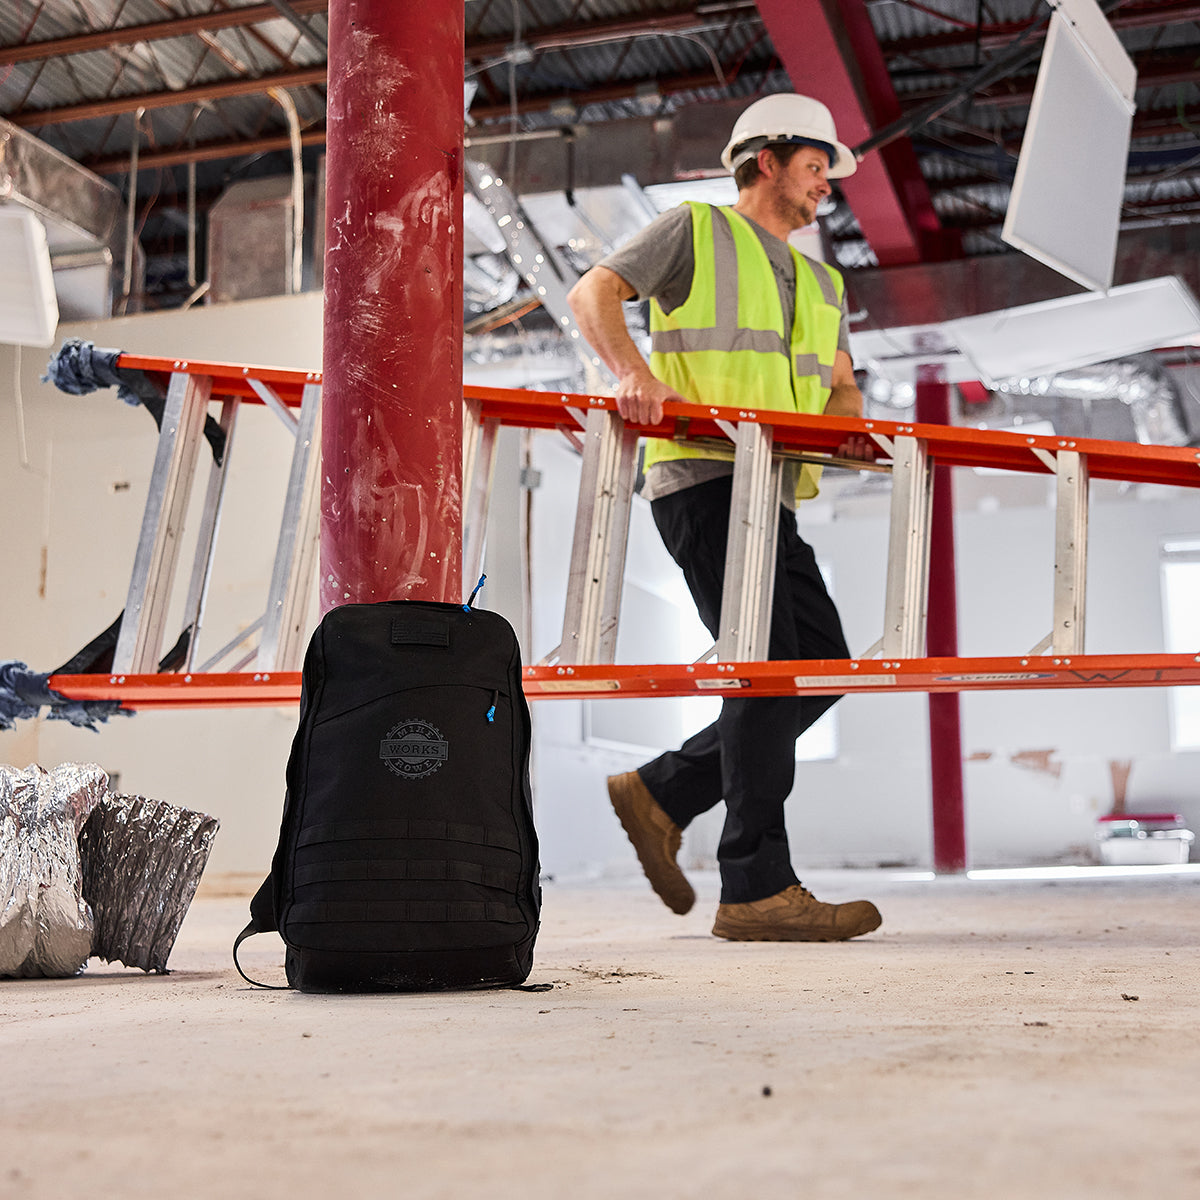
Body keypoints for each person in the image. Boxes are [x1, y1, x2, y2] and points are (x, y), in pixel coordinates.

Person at [566, 93, 882, 942]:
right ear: (768, 158)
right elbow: (594, 293)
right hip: (703, 481)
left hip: (772, 492)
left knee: (820, 664)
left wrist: (849, 417)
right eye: (817, 166)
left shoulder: (822, 280)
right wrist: (632, 374)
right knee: (770, 667)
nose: (826, 187)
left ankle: (665, 790)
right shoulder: (694, 231)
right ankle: (756, 885)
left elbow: (840, 380)